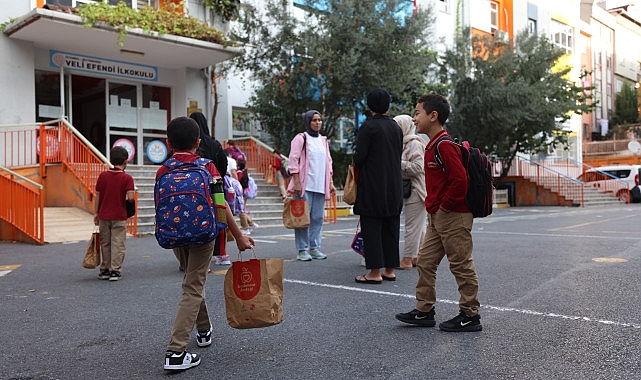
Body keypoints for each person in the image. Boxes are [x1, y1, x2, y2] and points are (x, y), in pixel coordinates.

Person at [157, 117, 255, 371]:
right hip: (204, 233)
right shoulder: (208, 167)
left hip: (175, 234)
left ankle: (204, 330)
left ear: (168, 144)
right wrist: (237, 236)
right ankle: (176, 352)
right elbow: (221, 206)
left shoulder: (163, 170)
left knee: (192, 281)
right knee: (193, 285)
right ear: (198, 143)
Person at [395, 94, 482, 332]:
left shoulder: (444, 145)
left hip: (453, 215)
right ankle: (424, 310)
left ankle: (470, 315)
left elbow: (459, 181)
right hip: (438, 215)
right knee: (425, 262)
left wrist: (444, 207)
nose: (414, 118)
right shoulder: (431, 144)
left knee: (461, 265)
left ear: (433, 116)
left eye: (418, 113)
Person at [352, 89, 403, 283]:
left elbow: (359, 157)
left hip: (373, 184)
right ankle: (389, 269)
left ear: (370, 105)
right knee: (391, 226)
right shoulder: (395, 127)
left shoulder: (369, 127)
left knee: (371, 227)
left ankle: (374, 272)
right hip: (394, 184)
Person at [287, 110, 336, 261]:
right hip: (304, 185)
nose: (317, 123)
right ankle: (302, 249)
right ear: (308, 122)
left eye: (319, 120)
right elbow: (293, 160)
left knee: (317, 218)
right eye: (314, 120)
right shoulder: (301, 138)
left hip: (320, 185)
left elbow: (328, 162)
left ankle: (314, 247)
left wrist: (331, 183)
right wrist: (296, 182)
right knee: (302, 218)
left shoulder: (323, 140)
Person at [189, 112, 231, 267]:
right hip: (217, 188)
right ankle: (222, 254)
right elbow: (224, 164)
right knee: (220, 217)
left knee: (198, 218)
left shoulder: (193, 145)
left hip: (197, 188)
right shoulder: (215, 144)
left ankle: (198, 255)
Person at [94, 146, 135, 281]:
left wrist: (96, 213)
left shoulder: (102, 176)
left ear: (111, 160)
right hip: (119, 215)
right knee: (118, 243)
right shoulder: (127, 178)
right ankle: (115, 270)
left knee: (105, 243)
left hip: (104, 215)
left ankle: (104, 269)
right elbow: (130, 197)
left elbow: (98, 196)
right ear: (125, 161)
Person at [394, 114, 427, 270]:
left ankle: (407, 259)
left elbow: (418, 168)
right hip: (410, 190)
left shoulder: (413, 143)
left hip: (416, 190)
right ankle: (417, 257)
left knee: (412, 227)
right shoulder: (403, 143)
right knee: (418, 227)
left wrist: (396, 163)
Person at [236, 159, 259, 234]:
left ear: (238, 166)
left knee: (241, 211)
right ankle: (251, 223)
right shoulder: (244, 172)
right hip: (244, 194)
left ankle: (245, 228)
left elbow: (236, 182)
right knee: (242, 210)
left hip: (241, 194)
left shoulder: (238, 173)